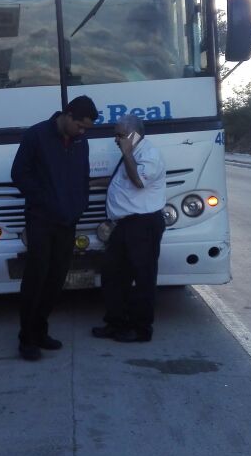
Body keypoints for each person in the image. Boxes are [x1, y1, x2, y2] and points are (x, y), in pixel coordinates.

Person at [10, 95, 98, 361]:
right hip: (41, 220)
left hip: (67, 222)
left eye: (86, 129)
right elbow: (19, 174)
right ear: (68, 116)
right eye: (80, 126)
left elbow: (83, 177)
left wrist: (79, 205)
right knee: (36, 278)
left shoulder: (81, 143)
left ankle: (41, 331)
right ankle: (26, 339)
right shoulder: (36, 136)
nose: (82, 132)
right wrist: (46, 200)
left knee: (57, 278)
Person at [91, 114, 166, 343]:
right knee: (113, 276)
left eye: (120, 135)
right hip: (123, 226)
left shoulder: (149, 155)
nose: (116, 139)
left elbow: (138, 181)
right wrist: (89, 183)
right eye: (116, 134)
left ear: (135, 134)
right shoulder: (133, 155)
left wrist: (126, 152)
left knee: (143, 279)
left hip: (142, 225)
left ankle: (141, 330)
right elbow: (119, 180)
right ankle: (115, 323)